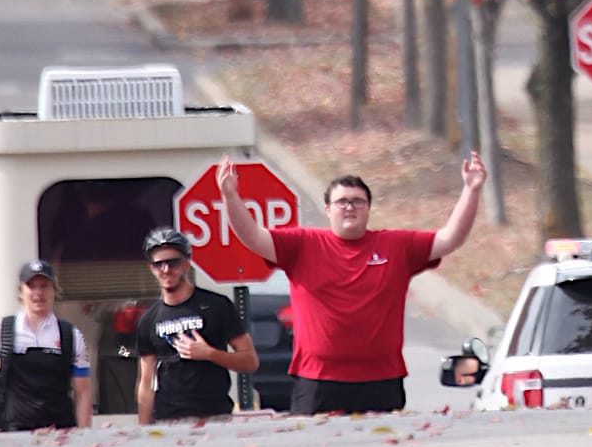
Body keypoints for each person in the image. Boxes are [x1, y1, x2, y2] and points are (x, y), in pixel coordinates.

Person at [216, 151, 484, 415]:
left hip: (381, 380)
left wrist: (471, 190)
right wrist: (230, 196)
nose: (350, 207)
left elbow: (449, 239)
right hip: (317, 379)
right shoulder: (302, 245)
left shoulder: (397, 245)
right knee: (315, 442)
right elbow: (253, 237)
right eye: (342, 201)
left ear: (368, 208)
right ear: (327, 209)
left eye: (358, 201)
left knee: (385, 441)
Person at [134, 226, 258, 424]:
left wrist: (210, 354)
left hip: (215, 416)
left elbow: (250, 361)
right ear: (151, 268)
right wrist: (143, 428)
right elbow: (146, 382)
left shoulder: (217, 305)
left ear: (187, 264)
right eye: (159, 264)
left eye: (173, 263)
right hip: (168, 419)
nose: (166, 270)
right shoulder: (149, 319)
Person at [0, 260, 92, 432]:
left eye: (44, 286)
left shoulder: (71, 335)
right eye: (31, 286)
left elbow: (82, 392)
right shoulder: (1, 331)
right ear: (21, 291)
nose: (38, 293)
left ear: (54, 290)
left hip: (60, 433)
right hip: (11, 433)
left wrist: (84, 433)